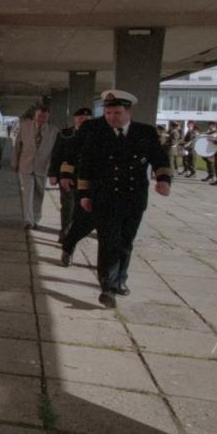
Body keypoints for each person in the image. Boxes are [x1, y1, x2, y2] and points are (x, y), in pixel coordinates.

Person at [76, 90, 171, 308]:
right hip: (104, 198)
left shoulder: (145, 132)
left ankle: (120, 279)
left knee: (126, 241)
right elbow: (86, 165)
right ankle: (108, 287)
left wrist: (164, 180)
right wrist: (84, 194)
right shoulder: (96, 132)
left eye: (117, 113)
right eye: (108, 113)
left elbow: (160, 159)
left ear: (128, 112)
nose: (112, 117)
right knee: (108, 241)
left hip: (133, 198)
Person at [49, 106, 92, 254]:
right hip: (68, 177)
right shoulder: (65, 134)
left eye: (86, 119)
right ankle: (65, 232)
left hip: (87, 180)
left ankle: (73, 235)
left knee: (81, 210)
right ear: (75, 119)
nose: (83, 121)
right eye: (80, 118)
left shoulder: (96, 135)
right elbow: (57, 154)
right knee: (68, 206)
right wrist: (53, 174)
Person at [12, 105, 57, 229]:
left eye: (44, 117)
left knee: (39, 194)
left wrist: (53, 170)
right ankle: (28, 220)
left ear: (48, 117)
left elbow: (55, 152)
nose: (41, 119)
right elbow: (17, 146)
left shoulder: (54, 131)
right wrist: (15, 162)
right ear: (35, 115)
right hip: (26, 165)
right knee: (28, 193)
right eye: (39, 116)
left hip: (43, 166)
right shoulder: (25, 126)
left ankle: (35, 218)